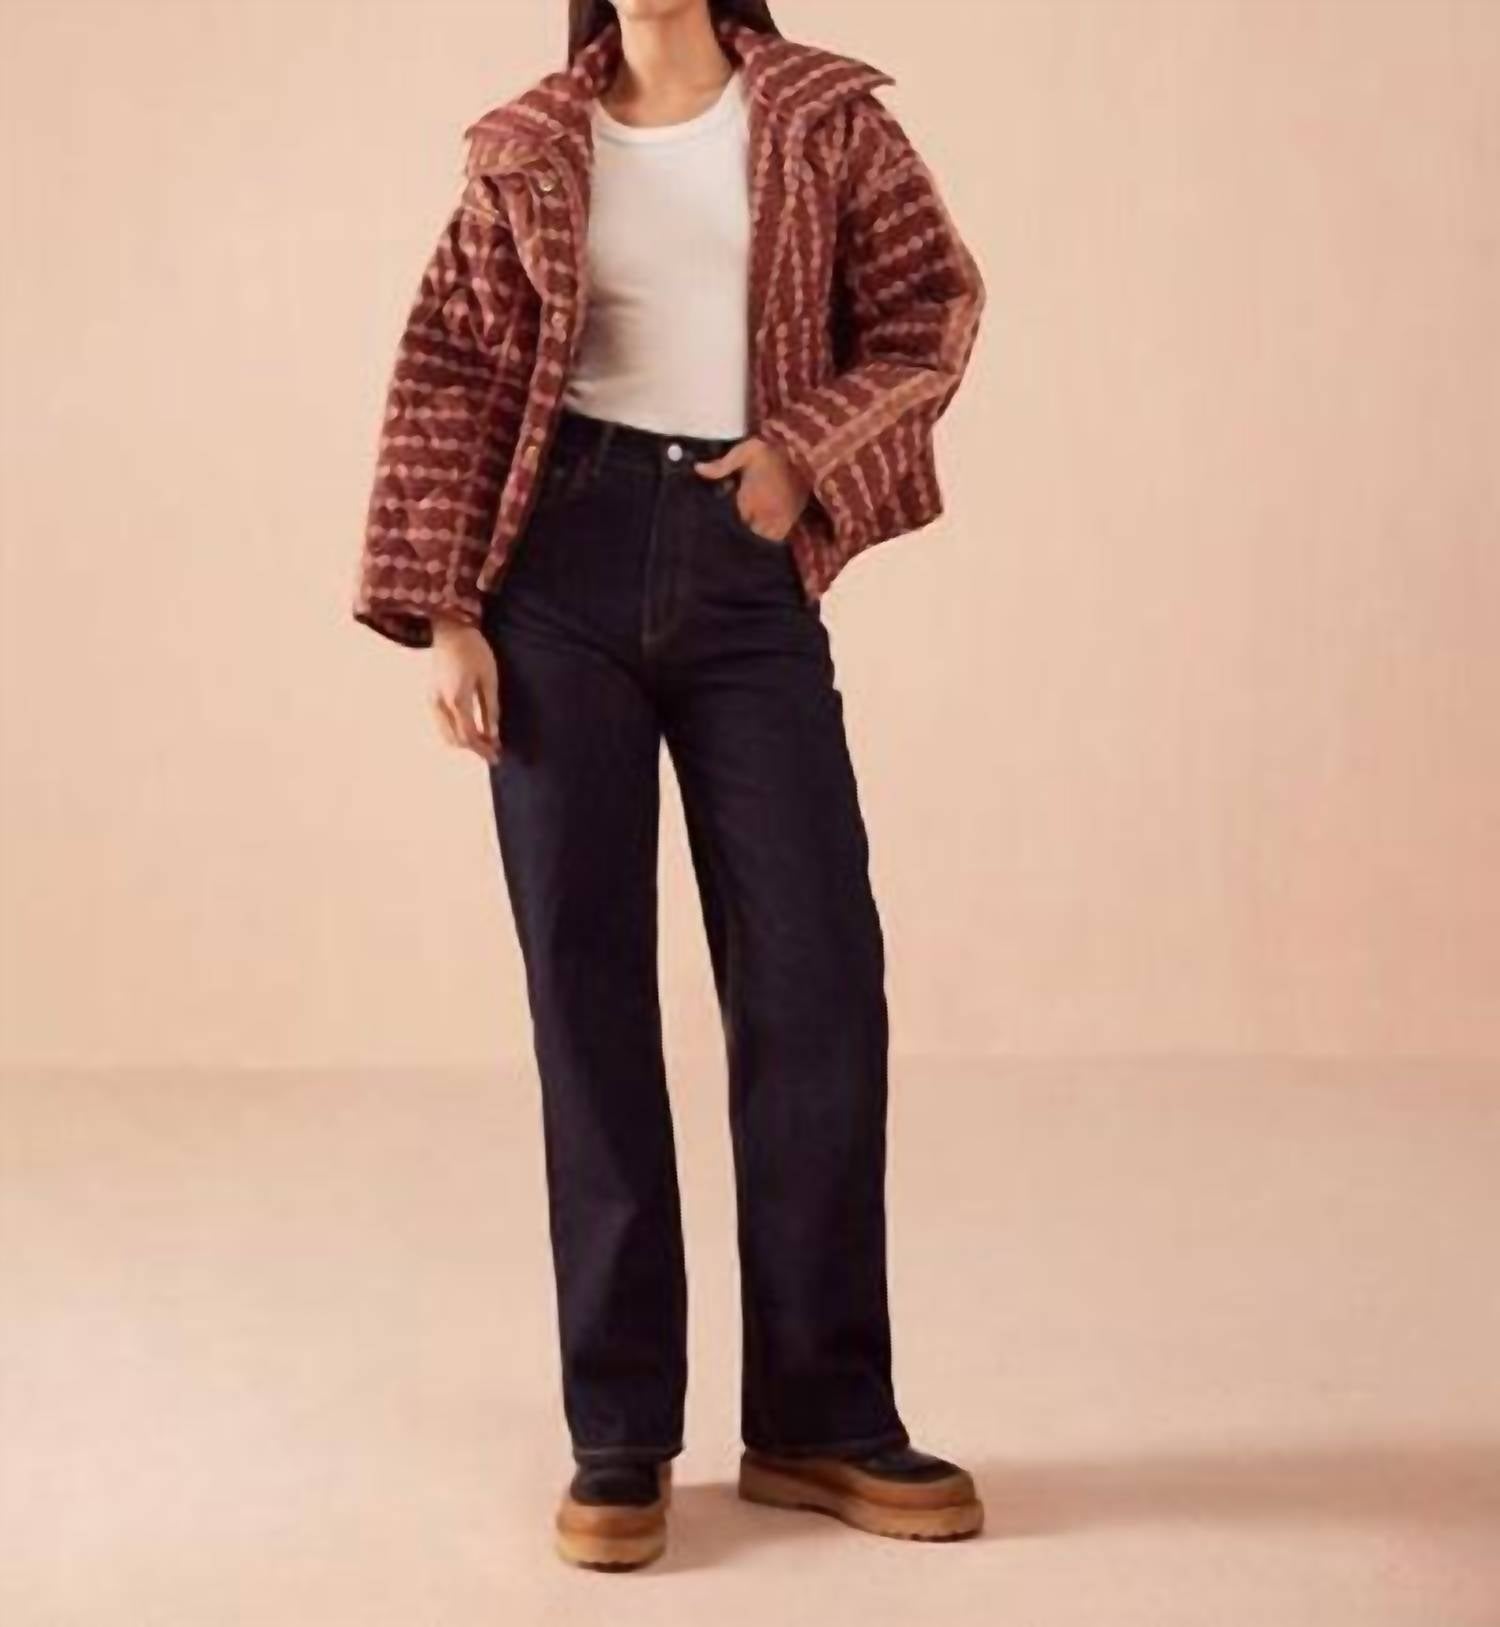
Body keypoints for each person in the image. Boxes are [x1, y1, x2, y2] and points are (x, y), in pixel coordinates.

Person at [352, 0, 986, 1571]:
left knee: (817, 977)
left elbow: (931, 308)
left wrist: (805, 449)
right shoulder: (526, 146)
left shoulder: (825, 119)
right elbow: (448, 366)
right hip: (551, 576)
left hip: (740, 566)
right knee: (588, 997)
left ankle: (821, 1416)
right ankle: (620, 1436)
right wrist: (444, 612)